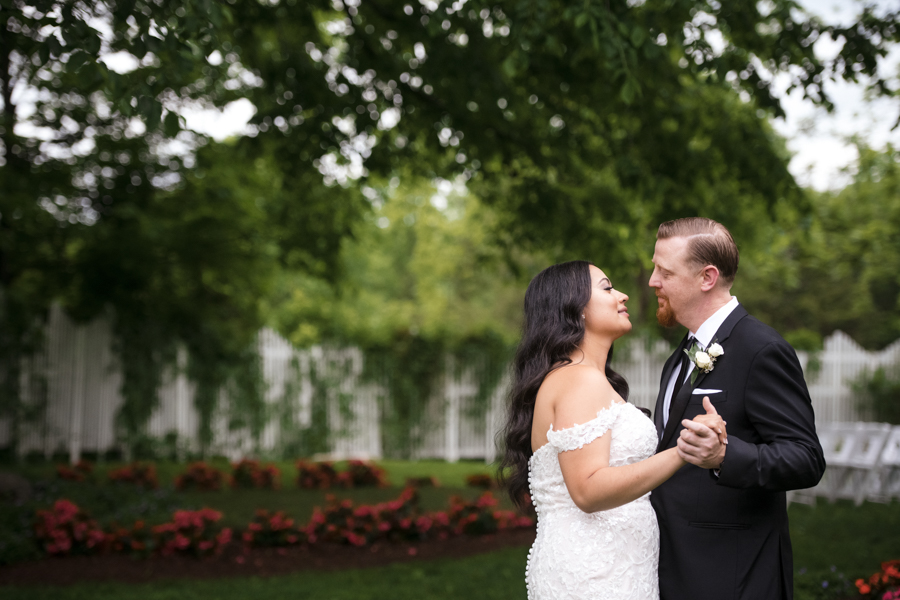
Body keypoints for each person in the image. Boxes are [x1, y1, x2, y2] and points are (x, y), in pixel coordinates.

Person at [500, 260, 726, 600]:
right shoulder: (579, 379)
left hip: (614, 566)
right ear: (576, 310)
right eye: (607, 288)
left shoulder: (585, 378)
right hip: (594, 572)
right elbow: (588, 490)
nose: (622, 295)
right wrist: (683, 452)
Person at [648, 217, 826, 600]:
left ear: (707, 278)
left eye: (664, 271)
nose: (652, 281)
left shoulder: (761, 349)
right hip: (677, 566)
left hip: (731, 575)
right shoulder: (682, 353)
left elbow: (807, 458)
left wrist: (725, 456)